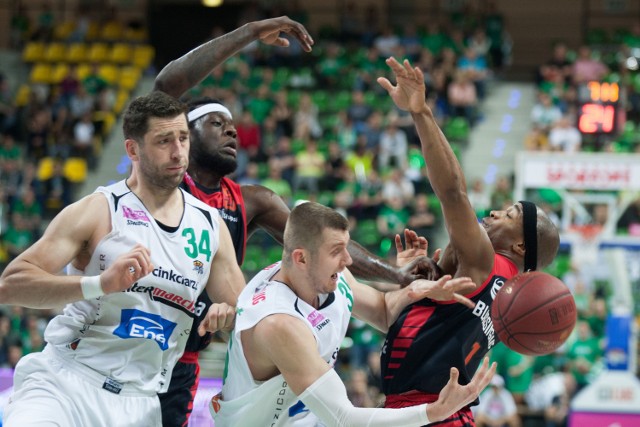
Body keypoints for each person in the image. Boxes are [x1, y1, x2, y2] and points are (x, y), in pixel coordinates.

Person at [153, 17, 440, 427]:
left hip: (184, 354)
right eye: (217, 124)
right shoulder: (164, 183)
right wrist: (250, 35)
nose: (232, 132)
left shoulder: (252, 200)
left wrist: (395, 275)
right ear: (182, 133)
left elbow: (323, 240)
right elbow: (165, 89)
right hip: (134, 329)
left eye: (234, 126)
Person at [0, 91, 245, 426]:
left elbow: (244, 313)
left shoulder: (210, 226)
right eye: (163, 141)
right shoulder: (100, 209)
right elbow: (10, 285)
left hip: (141, 403)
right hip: (66, 385)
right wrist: (98, 284)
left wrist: (228, 314)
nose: (178, 152)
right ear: (133, 149)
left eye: (183, 138)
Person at [376, 57, 560, 425]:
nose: (493, 213)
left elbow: (454, 192)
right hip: (434, 412)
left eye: (507, 216)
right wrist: (411, 278)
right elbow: (405, 320)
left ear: (521, 247)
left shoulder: (485, 260)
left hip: (430, 412)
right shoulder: (503, 287)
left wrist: (421, 113)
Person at [210, 201, 496, 426]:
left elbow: (383, 311)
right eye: (337, 251)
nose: (348, 260)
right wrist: (434, 412)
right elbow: (344, 419)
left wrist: (415, 288)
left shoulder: (322, 275)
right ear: (301, 257)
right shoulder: (279, 323)